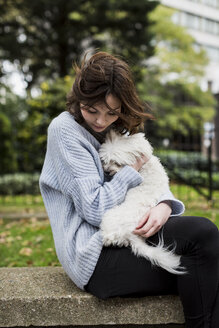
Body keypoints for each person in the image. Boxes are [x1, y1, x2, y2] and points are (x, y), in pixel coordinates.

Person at [39, 51, 219, 328]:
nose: (100, 120)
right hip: (95, 256)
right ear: (78, 98)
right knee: (203, 237)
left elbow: (153, 176)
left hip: (128, 235)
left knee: (208, 258)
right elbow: (95, 210)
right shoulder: (65, 130)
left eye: (112, 112)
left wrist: (164, 205)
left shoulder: (118, 129)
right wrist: (129, 172)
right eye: (92, 110)